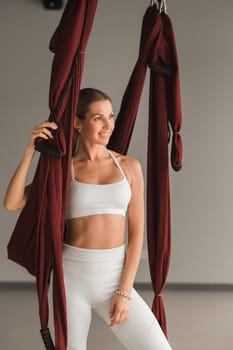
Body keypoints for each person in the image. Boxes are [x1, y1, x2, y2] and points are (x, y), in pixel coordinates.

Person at [4, 88, 172, 350]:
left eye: (111, 116)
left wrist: (125, 290)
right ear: (76, 122)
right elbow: (12, 203)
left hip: (115, 277)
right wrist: (30, 150)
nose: (108, 126)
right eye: (98, 118)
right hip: (71, 279)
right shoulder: (61, 171)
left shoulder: (129, 166)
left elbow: (137, 234)